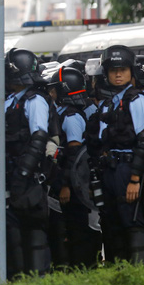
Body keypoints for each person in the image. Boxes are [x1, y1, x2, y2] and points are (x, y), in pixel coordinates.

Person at [96, 45, 144, 264]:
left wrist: (135, 179)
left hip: (128, 168)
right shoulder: (111, 102)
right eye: (112, 70)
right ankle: (120, 278)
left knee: (133, 223)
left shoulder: (136, 101)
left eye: (122, 69)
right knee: (114, 224)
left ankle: (141, 277)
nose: (117, 74)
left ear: (132, 71)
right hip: (111, 168)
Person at [3, 48, 54, 275]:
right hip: (10, 171)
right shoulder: (11, 100)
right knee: (13, 231)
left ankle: (38, 281)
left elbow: (39, 137)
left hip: (29, 175)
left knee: (34, 228)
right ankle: (20, 281)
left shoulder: (35, 100)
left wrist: (24, 173)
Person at [47, 65, 102, 267]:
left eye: (54, 89)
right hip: (65, 180)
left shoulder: (71, 117)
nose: (51, 94)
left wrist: (66, 185)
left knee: (79, 230)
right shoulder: (63, 113)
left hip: (74, 185)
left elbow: (74, 155)